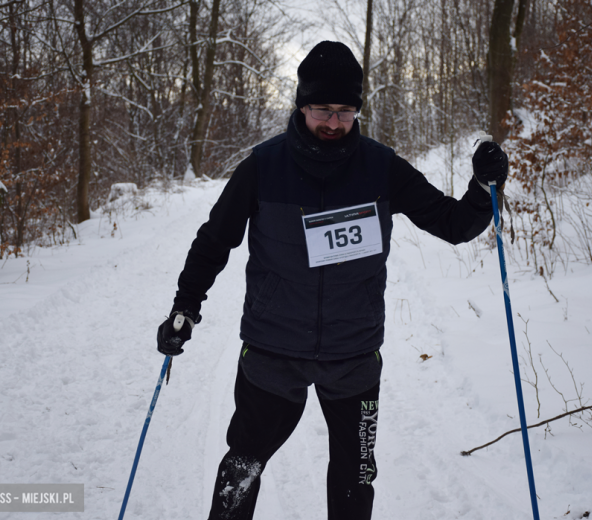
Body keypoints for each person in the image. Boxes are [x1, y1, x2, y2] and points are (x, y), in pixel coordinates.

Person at [157, 41, 509, 520]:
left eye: (345, 111)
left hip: (353, 357)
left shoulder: (380, 167)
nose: (333, 122)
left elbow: (453, 224)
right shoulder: (263, 167)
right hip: (272, 351)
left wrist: (482, 188)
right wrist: (186, 306)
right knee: (242, 465)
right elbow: (214, 241)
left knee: (356, 475)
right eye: (322, 109)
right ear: (302, 105)